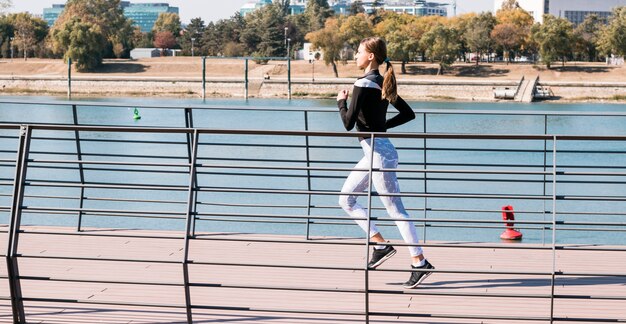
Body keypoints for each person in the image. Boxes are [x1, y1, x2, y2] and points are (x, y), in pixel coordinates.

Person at [336, 37, 434, 289]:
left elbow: (348, 123)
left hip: (378, 155)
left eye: (358, 52)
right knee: (346, 199)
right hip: (377, 153)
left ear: (370, 56)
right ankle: (380, 244)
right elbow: (408, 114)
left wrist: (340, 101)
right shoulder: (382, 81)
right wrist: (381, 128)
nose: (355, 56)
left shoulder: (361, 83)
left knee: (396, 210)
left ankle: (420, 263)